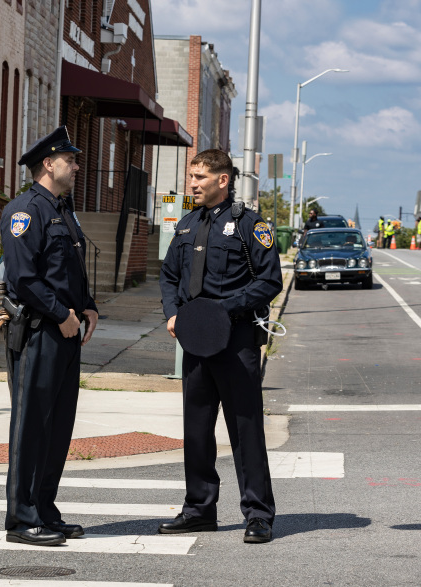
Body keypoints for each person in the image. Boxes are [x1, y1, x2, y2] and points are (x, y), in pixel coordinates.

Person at [159, 149, 283, 544]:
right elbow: (168, 276)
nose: (192, 183)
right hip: (194, 343)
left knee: (245, 428)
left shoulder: (249, 224)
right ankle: (199, 509)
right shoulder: (186, 225)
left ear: (223, 180)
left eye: (200, 177)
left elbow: (269, 281)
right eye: (191, 176)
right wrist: (173, 312)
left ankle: (258, 514)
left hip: (235, 341)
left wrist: (220, 310)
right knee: (196, 430)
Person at [0, 126, 99, 546]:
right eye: (70, 160)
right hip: (41, 331)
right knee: (30, 427)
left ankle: (44, 509)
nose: (76, 166)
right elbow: (23, 280)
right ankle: (21, 519)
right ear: (48, 164)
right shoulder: (25, 212)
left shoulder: (62, 210)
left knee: (58, 426)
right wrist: (62, 315)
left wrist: (89, 305)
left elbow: (70, 269)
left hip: (66, 332)